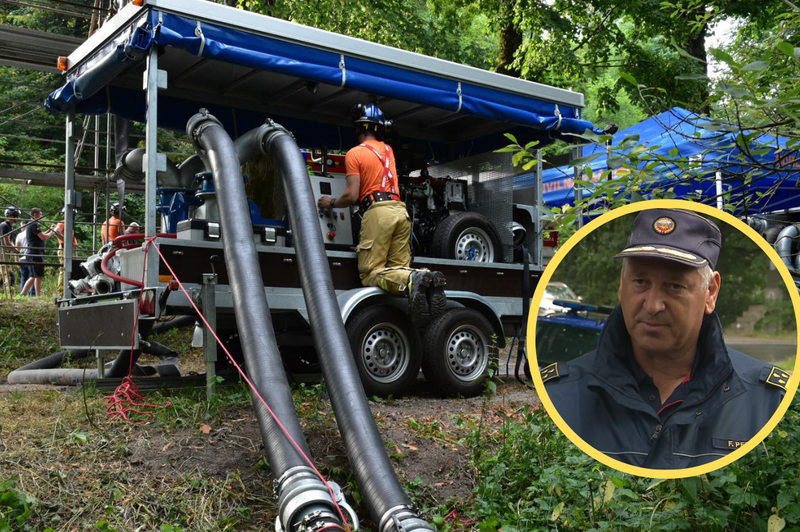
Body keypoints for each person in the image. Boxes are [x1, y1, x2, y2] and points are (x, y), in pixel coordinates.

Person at [542, 208, 788, 469]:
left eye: (675, 286)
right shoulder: (560, 395)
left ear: (710, 293)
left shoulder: (767, 401)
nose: (652, 305)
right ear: (621, 284)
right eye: (640, 282)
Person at [317, 103, 446, 316]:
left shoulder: (355, 154)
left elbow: (351, 195)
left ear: (357, 128)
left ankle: (412, 279)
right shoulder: (388, 151)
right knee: (396, 267)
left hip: (378, 213)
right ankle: (424, 276)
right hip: (400, 211)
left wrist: (330, 203)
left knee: (371, 273)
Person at [20, 208, 55, 296]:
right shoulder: (34, 225)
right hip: (35, 253)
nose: (42, 216)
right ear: (35, 214)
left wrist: (49, 230)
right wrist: (53, 232)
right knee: (39, 275)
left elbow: (40, 235)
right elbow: (44, 237)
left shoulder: (31, 224)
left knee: (33, 276)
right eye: (40, 214)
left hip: (32, 253)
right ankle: (38, 295)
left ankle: (23, 294)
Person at [52, 208, 78, 297]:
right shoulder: (63, 222)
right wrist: (67, 241)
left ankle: (68, 290)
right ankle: (60, 292)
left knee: (70, 269)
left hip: (70, 248)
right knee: (64, 270)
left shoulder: (70, 223)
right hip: (64, 248)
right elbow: (56, 232)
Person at [1, 207, 19, 293]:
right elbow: (6, 242)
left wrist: (16, 249)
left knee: (7, 272)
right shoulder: (5, 226)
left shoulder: (9, 226)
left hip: (6, 252)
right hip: (2, 251)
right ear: (12, 216)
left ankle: (7, 291)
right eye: (16, 216)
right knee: (6, 273)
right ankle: (7, 292)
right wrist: (16, 251)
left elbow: (10, 241)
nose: (17, 218)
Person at [15, 224, 34, 296]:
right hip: (31, 258)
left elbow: (17, 248)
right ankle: (32, 294)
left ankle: (22, 294)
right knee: (33, 277)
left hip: (22, 259)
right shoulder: (32, 234)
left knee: (24, 278)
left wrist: (16, 260)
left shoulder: (19, 235)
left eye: (22, 226)